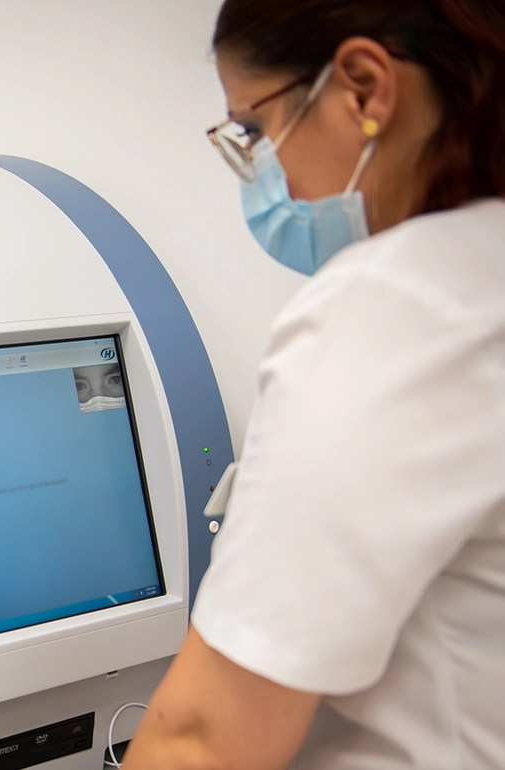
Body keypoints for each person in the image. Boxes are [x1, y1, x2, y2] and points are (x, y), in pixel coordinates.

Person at [122, 1, 505, 768]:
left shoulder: (393, 303)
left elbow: (202, 740)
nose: (261, 175)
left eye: (254, 130)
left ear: (362, 86)